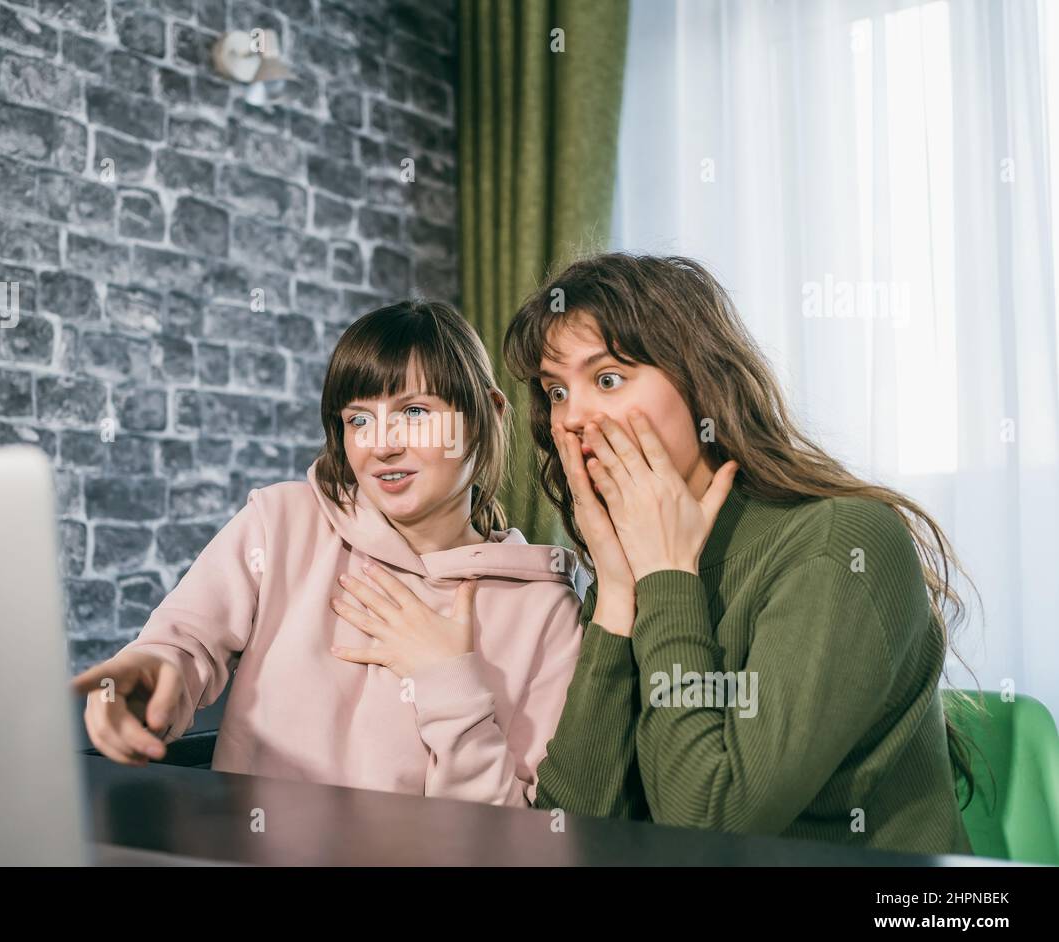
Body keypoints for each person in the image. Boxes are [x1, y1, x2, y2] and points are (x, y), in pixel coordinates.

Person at [503, 252, 977, 854]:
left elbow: (707, 823)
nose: (572, 418)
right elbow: (566, 830)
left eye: (607, 379)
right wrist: (619, 594)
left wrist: (667, 577)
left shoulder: (841, 545)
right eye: (555, 392)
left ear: (698, 380)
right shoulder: (632, 565)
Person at [72, 300, 583, 806]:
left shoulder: (546, 613)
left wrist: (447, 681)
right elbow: (182, 646)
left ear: (487, 415)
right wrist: (146, 677)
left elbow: (515, 836)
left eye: (414, 411)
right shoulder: (281, 524)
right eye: (358, 419)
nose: (380, 446)